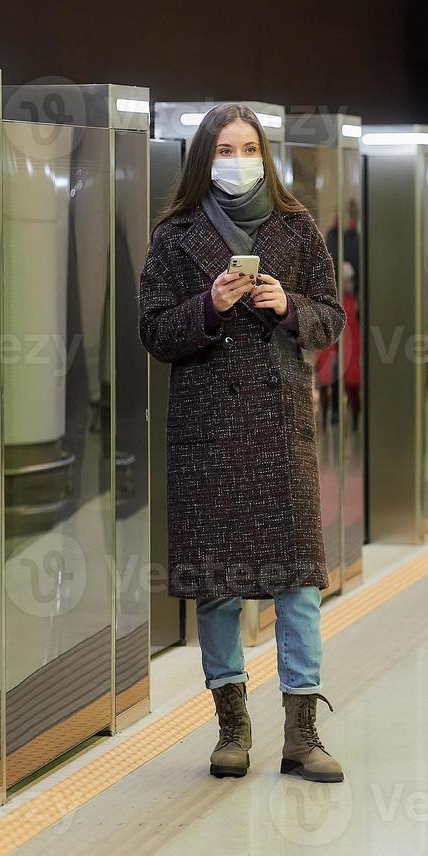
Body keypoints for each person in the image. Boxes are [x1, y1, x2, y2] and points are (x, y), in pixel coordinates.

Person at [137, 102, 346, 782]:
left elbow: (331, 316)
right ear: (205, 159)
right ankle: (231, 728)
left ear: (264, 154)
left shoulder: (297, 226)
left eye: (247, 147)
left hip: (279, 428)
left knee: (298, 585)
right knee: (219, 589)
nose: (236, 160)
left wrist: (288, 307)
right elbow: (153, 331)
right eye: (223, 149)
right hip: (208, 433)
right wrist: (210, 306)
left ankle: (303, 734)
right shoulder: (174, 236)